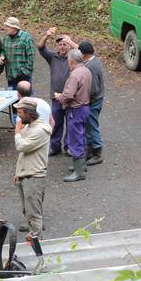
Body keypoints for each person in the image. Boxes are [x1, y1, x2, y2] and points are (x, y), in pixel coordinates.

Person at [12, 97, 52, 240]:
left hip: (34, 177)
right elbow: (24, 154)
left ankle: (37, 244)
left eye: (20, 112)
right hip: (25, 175)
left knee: (34, 214)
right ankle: (34, 238)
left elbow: (21, 146)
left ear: (29, 113)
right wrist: (18, 172)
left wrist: (17, 132)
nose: (18, 116)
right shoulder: (29, 126)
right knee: (27, 211)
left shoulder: (40, 130)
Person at [54, 49, 92, 182]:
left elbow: (69, 95)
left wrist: (60, 97)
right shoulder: (86, 70)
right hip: (85, 107)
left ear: (71, 61)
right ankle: (81, 165)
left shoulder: (75, 74)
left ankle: (79, 172)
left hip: (76, 110)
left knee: (75, 140)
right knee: (82, 137)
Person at [37, 28, 76, 156]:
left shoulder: (74, 58)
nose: (63, 47)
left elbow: (84, 52)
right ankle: (55, 146)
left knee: (70, 123)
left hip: (70, 97)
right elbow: (40, 47)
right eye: (60, 44)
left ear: (69, 46)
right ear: (57, 46)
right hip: (56, 96)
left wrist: (71, 41)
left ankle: (68, 146)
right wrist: (46, 36)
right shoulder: (52, 57)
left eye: (65, 44)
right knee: (56, 122)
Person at [79, 41, 105, 166]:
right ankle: (90, 150)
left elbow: (93, 89)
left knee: (92, 125)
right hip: (96, 99)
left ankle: (97, 153)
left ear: (84, 54)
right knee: (90, 125)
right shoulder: (94, 61)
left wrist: (84, 99)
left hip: (93, 101)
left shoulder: (91, 67)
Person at [0, 17, 35, 90]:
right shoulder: (6, 38)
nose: (6, 28)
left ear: (14, 27)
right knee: (13, 99)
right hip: (10, 76)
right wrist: (1, 56)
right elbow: (3, 51)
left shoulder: (26, 38)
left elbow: (31, 56)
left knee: (25, 99)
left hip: (23, 76)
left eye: (8, 26)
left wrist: (25, 72)